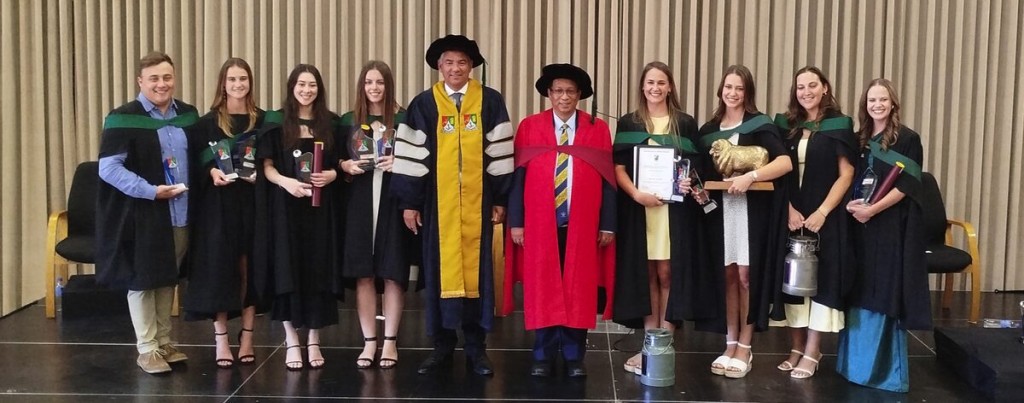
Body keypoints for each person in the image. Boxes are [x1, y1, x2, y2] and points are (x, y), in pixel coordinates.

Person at [391, 34, 514, 376]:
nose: (455, 68)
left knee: (479, 278)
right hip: (438, 206)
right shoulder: (424, 104)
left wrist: (500, 198)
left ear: (471, 66)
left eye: (462, 62)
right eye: (449, 62)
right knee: (437, 273)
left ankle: (476, 349)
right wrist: (410, 202)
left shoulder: (489, 101)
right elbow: (411, 156)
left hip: (479, 204)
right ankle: (441, 348)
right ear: (439, 66)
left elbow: (500, 152)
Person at [504, 63, 616, 378]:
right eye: (558, 91)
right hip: (540, 224)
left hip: (583, 225)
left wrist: (608, 223)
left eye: (570, 91)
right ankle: (542, 355)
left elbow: (608, 181)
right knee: (543, 287)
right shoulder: (530, 126)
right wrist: (517, 221)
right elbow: (518, 178)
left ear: (579, 95)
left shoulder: (597, 129)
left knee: (579, 289)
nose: (564, 97)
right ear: (549, 94)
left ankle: (573, 356)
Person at [96, 51, 196, 374]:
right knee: (143, 279)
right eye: (154, 78)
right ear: (140, 81)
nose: (161, 84)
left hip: (181, 212)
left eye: (167, 77)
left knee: (167, 277)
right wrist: (151, 191)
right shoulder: (123, 117)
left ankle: (164, 341)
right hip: (142, 212)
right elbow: (108, 168)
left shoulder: (188, 115)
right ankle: (147, 347)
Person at [696, 65, 792, 379]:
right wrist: (693, 187)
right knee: (727, 275)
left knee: (746, 275)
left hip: (752, 213)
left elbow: (784, 162)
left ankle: (746, 346)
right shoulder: (709, 130)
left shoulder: (759, 124)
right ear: (721, 90)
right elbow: (699, 173)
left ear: (747, 92)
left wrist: (751, 176)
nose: (733, 93)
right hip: (720, 213)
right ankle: (730, 342)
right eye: (729, 87)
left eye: (739, 88)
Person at [610, 62, 706, 375]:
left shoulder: (684, 123)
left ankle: (666, 343)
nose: (655, 88)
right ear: (642, 86)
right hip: (640, 210)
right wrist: (636, 194)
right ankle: (649, 344)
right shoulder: (630, 122)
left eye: (661, 83)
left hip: (673, 212)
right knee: (647, 273)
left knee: (668, 273)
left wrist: (688, 181)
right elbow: (618, 168)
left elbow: (695, 167)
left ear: (670, 87)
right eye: (650, 82)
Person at [838, 78, 930, 392]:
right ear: (865, 105)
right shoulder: (859, 140)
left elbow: (908, 186)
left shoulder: (908, 139)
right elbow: (850, 179)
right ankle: (854, 366)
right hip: (859, 227)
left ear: (893, 104)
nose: (877, 105)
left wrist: (873, 210)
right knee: (860, 287)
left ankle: (881, 371)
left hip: (889, 227)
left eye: (882, 100)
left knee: (884, 290)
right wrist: (852, 205)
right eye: (872, 100)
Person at [254, 64, 343, 371]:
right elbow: (266, 166)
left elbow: (340, 163)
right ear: (292, 87)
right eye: (302, 84)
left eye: (312, 85)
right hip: (287, 207)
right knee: (288, 267)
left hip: (321, 210)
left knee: (318, 268)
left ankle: (314, 339)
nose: (307, 90)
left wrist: (331, 175)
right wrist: (286, 182)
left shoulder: (330, 122)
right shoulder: (276, 121)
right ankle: (292, 339)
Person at [770, 66, 857, 379]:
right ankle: (796, 347)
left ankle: (812, 350)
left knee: (821, 281)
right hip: (791, 214)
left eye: (812, 85)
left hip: (826, 216)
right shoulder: (785, 125)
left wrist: (823, 211)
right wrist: (788, 209)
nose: (805, 92)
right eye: (800, 87)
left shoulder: (839, 125)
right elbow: (776, 169)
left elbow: (847, 174)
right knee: (791, 282)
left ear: (825, 88)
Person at [182, 57, 268, 369]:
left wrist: (260, 174)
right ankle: (221, 338)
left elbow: (272, 161)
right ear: (223, 83)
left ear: (250, 83)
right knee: (219, 270)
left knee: (249, 270)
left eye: (243, 79)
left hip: (252, 204)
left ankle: (247, 336)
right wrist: (211, 173)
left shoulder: (263, 121)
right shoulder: (204, 124)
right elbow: (194, 165)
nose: (238, 84)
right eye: (232, 79)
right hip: (217, 207)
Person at [337, 60, 416, 370]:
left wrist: (401, 162)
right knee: (364, 274)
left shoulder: (404, 120)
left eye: (380, 82)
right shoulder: (348, 121)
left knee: (393, 272)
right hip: (359, 202)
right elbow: (335, 160)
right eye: (369, 82)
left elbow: (421, 159)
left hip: (393, 202)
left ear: (388, 85)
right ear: (362, 86)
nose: (374, 87)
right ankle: (370, 341)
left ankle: (390, 341)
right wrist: (345, 165)